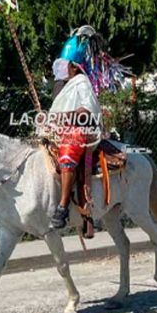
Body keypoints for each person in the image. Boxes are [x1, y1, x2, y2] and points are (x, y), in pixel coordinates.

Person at [48, 32, 103, 229]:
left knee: (68, 151)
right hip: (62, 129)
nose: (62, 69)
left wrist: (65, 117)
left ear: (73, 66)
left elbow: (87, 112)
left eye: (65, 65)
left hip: (83, 130)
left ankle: (62, 207)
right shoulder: (66, 85)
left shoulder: (82, 82)